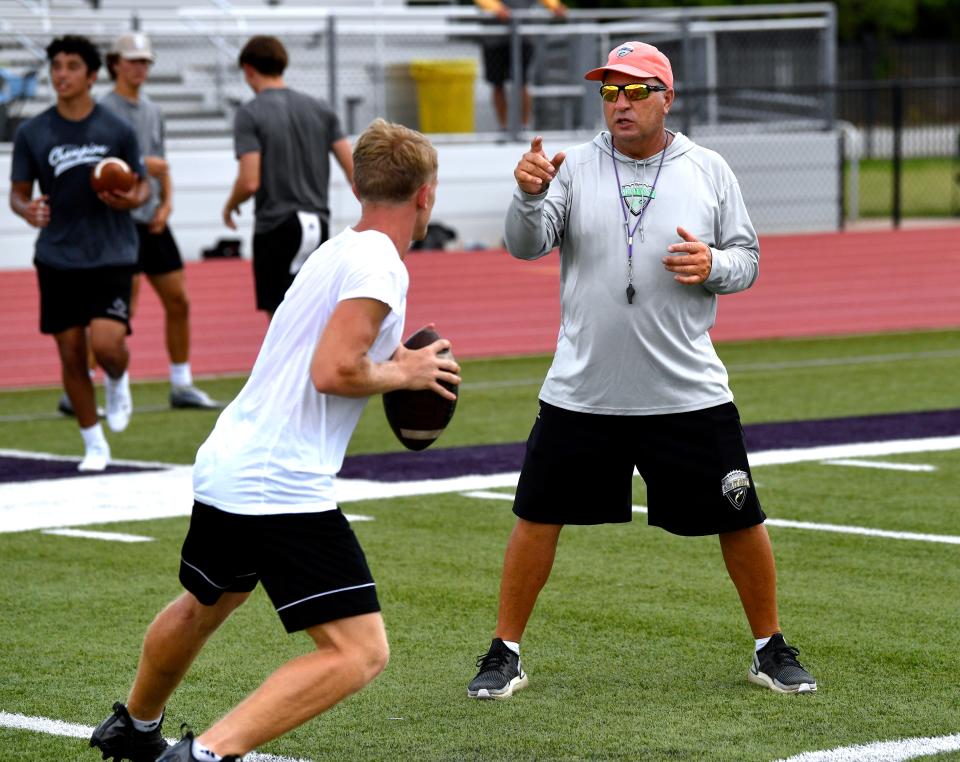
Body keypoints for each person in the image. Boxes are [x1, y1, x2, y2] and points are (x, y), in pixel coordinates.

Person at [90, 118, 460, 762]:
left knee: (207, 601)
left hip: (232, 463)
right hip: (278, 483)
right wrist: (405, 371)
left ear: (359, 186)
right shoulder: (381, 264)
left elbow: (322, 350)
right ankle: (203, 756)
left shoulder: (340, 249)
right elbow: (332, 370)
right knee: (358, 652)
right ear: (425, 195)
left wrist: (393, 355)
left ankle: (136, 726)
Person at [466, 41, 817, 700]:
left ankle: (770, 647)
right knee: (537, 516)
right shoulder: (569, 167)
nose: (619, 104)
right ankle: (504, 651)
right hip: (583, 388)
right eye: (608, 92)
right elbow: (524, 245)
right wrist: (526, 195)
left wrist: (712, 264)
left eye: (633, 91)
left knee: (741, 517)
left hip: (685, 389)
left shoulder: (708, 169)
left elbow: (747, 259)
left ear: (666, 98)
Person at [9, 35, 149, 471]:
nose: (61, 74)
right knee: (70, 353)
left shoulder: (117, 130)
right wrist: (27, 211)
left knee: (107, 346)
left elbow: (141, 183)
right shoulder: (33, 132)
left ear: (91, 76)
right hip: (57, 256)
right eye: (56, 66)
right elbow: (17, 195)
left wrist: (133, 199)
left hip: (112, 252)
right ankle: (94, 443)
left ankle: (118, 376)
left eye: (71, 66)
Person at [97, 32, 219, 410]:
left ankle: (181, 383)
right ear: (114, 63)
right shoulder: (103, 110)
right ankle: (85, 386)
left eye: (144, 61)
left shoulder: (153, 108)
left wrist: (166, 205)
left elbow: (162, 164)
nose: (139, 68)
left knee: (179, 300)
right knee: (119, 309)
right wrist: (146, 169)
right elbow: (106, 168)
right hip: (117, 221)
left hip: (151, 220)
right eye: (132, 60)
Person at [222, 35, 354, 319]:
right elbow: (354, 169)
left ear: (248, 69)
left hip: (277, 225)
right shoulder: (320, 108)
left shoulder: (250, 113)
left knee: (280, 321)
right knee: (314, 315)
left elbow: (249, 181)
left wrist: (230, 204)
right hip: (317, 222)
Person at [473, 0, 567, 130]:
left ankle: (524, 127)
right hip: (494, 38)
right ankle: (504, 127)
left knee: (523, 82)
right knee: (497, 83)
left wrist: (555, 6)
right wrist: (496, 9)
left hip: (522, 35)